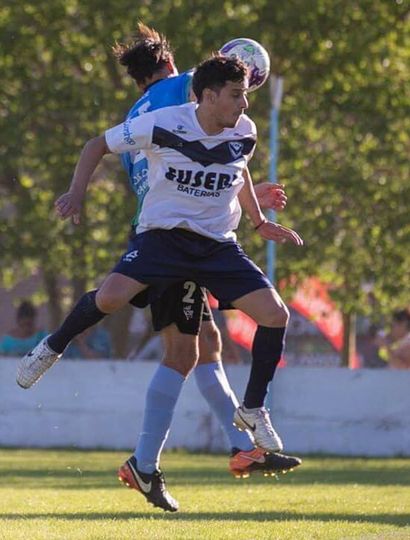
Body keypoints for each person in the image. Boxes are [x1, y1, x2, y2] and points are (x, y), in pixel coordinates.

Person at [17, 34, 301, 512]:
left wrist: (257, 221)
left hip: (214, 244)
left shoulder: (224, 121)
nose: (244, 98)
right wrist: (76, 192)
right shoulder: (170, 105)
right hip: (163, 237)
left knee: (242, 329)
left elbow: (240, 164)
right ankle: (53, 350)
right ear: (197, 85)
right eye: (238, 90)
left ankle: (244, 424)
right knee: (142, 322)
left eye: (247, 91)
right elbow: (98, 145)